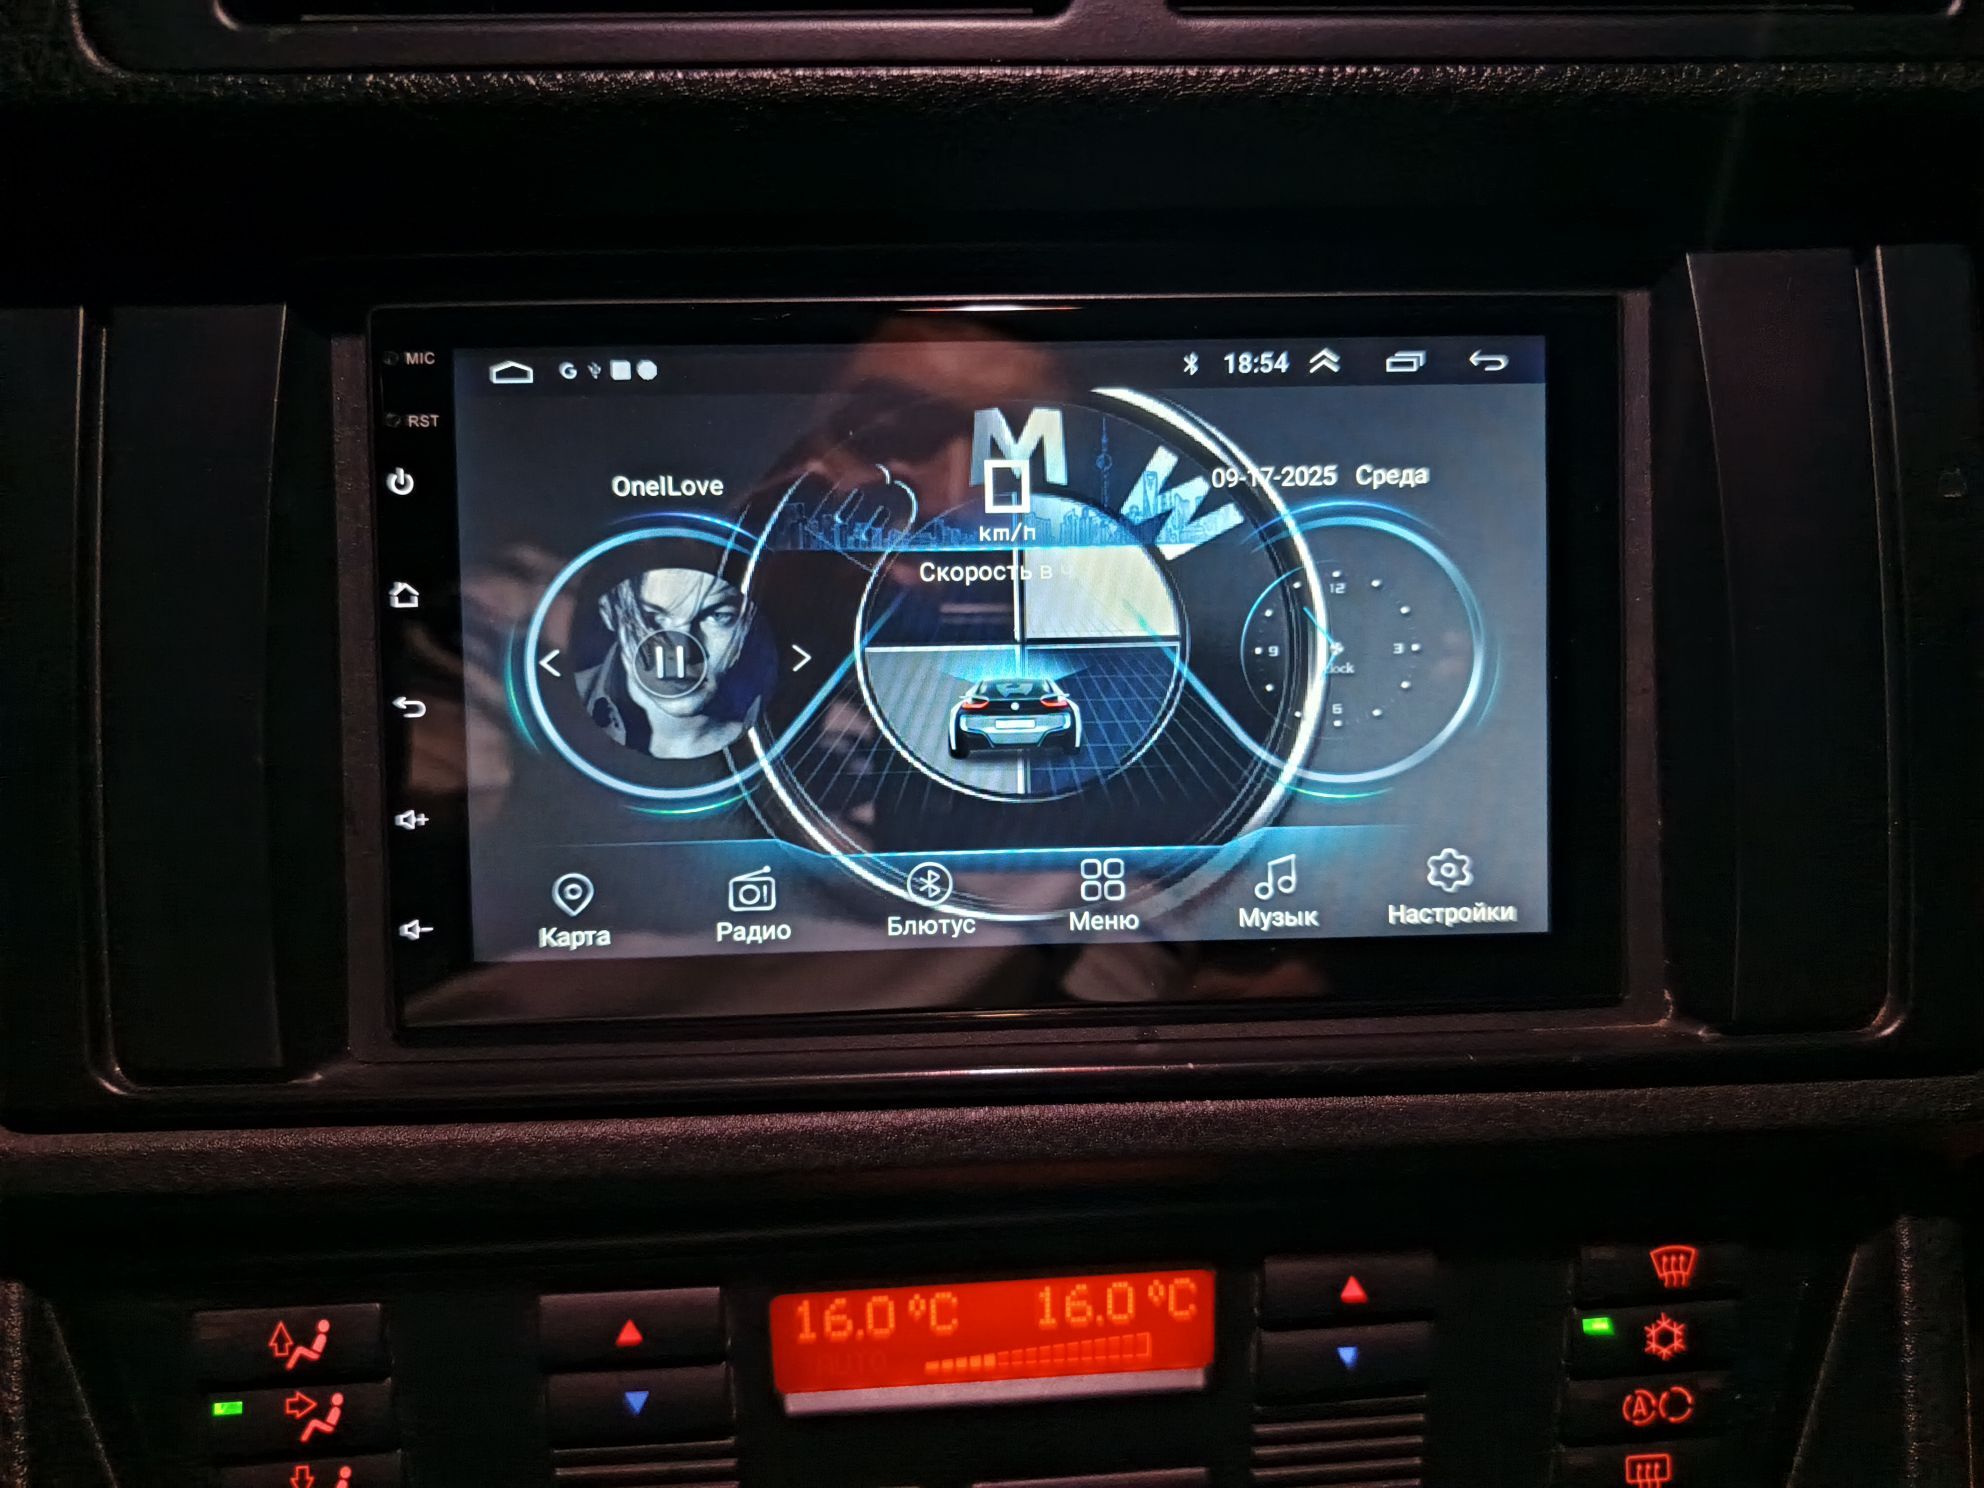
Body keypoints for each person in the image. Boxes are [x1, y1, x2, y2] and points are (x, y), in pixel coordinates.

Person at [575, 566, 774, 760]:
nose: (684, 654)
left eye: (718, 616)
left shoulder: (777, 735)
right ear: (610, 613)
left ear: (748, 620)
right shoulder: (562, 706)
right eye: (652, 618)